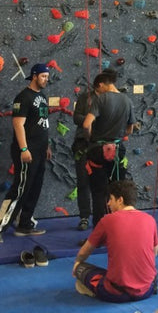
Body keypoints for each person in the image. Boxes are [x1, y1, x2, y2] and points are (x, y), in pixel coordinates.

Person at [0, 63, 51, 243]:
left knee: (34, 187)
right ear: (34, 76)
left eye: (47, 76)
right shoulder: (23, 97)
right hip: (26, 150)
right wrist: (24, 148)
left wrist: (46, 146)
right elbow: (18, 124)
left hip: (39, 149)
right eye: (44, 76)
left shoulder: (42, 97)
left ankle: (24, 224)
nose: (46, 79)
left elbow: (42, 123)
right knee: (21, 189)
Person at [72, 180, 158, 303]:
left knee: (81, 268)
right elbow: (154, 253)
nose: (108, 203)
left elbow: (83, 252)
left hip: (116, 293)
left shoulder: (107, 220)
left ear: (120, 200)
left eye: (111, 199)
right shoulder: (150, 220)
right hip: (147, 290)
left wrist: (77, 263)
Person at [83, 70, 139, 226]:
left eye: (97, 89)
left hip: (98, 150)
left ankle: (99, 231)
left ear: (101, 85)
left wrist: (91, 137)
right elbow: (130, 129)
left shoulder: (101, 99)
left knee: (99, 193)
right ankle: (120, 228)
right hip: (117, 149)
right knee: (118, 191)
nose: (97, 92)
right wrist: (118, 134)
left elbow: (86, 124)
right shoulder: (127, 100)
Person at [71, 78, 98, 231]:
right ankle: (84, 216)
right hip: (83, 143)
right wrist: (91, 120)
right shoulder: (84, 98)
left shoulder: (110, 99)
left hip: (101, 144)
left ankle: (101, 216)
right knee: (83, 182)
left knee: (101, 184)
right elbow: (76, 117)